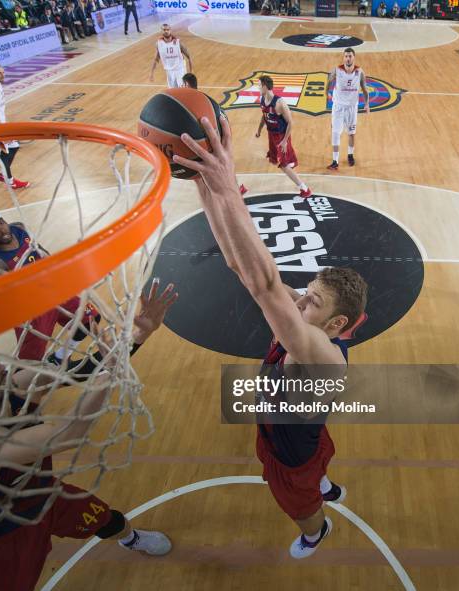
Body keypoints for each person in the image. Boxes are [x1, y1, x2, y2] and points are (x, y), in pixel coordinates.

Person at [171, 114, 368, 559]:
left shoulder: (321, 354)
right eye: (308, 290)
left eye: (313, 301)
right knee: (319, 453)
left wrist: (227, 185)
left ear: (336, 326)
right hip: (304, 434)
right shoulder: (310, 324)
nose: (300, 301)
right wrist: (204, 186)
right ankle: (325, 482)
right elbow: (242, 267)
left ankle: (317, 530)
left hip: (289, 454)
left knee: (299, 503)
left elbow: (264, 285)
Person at [0, 280, 177, 591]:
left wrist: (140, 334)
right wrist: (111, 371)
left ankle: (131, 539)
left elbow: (84, 371)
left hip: (44, 496)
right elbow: (71, 431)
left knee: (106, 518)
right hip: (1, 539)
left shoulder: (13, 385)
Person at [0, 210, 98, 364]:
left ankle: (60, 357)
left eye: (1, 222)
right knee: (30, 362)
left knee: (90, 319)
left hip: (54, 291)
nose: (2, 229)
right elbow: (4, 300)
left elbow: (40, 251)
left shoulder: (20, 229)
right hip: (32, 311)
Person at [255, 75, 311, 199]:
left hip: (281, 136)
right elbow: (264, 115)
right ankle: (289, 164)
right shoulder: (262, 99)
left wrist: (285, 141)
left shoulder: (280, 103)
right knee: (282, 162)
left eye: (259, 85)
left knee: (283, 165)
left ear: (265, 86)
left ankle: (305, 189)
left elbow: (291, 123)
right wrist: (259, 129)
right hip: (271, 134)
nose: (258, 87)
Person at [0, 63, 30, 189]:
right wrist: (1, 130)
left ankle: (3, 175)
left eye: (3, 72)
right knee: (3, 154)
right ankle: (10, 180)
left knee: (14, 146)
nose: (3, 75)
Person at [327, 48, 369, 169]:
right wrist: (327, 93)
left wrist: (367, 104)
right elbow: (329, 80)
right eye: (346, 56)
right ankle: (335, 160)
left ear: (354, 57)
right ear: (343, 57)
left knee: (351, 133)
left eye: (350, 56)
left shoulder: (360, 72)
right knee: (335, 133)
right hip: (338, 107)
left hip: (351, 107)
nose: (348, 58)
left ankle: (350, 155)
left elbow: (365, 89)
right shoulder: (337, 70)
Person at [150, 23, 192, 88]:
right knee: (172, 91)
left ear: (170, 30)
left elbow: (189, 57)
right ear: (161, 31)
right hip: (169, 71)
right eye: (164, 30)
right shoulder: (159, 44)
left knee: (182, 89)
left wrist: (191, 72)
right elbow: (156, 59)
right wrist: (151, 73)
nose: (166, 31)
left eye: (168, 29)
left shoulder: (178, 42)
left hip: (180, 69)